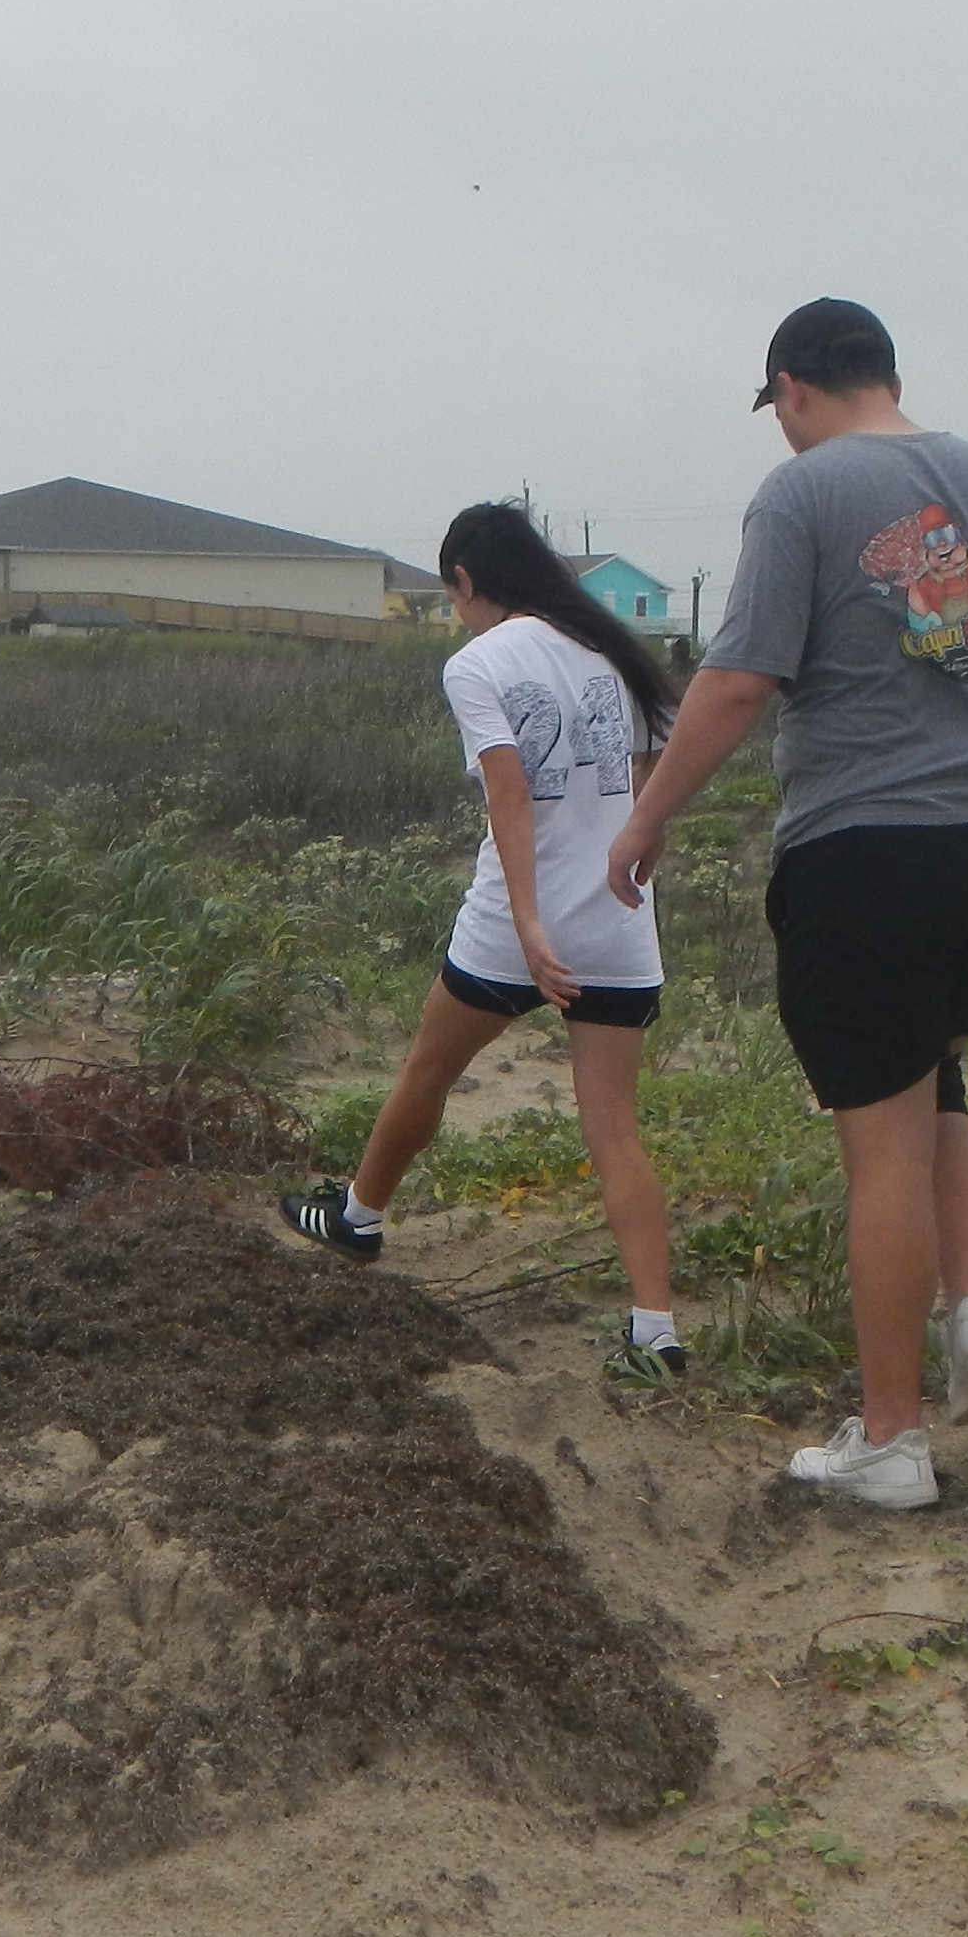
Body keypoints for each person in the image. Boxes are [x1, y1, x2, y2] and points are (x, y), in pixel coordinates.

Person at [605, 300, 968, 1508]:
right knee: (931, 1078)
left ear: (791, 389)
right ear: (886, 374)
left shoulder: (807, 492)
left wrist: (647, 815)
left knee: (877, 1144)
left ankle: (890, 1441)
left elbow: (737, 684)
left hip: (873, 846)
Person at [286, 504, 689, 1380]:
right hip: (620, 923)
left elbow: (508, 797)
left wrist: (533, 926)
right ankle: (656, 1331)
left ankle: (357, 1217)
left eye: (453, 595)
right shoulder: (612, 648)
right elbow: (666, 752)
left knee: (428, 1071)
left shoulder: (479, 662)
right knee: (614, 1132)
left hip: (513, 929)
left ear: (466, 582)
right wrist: (642, 840)